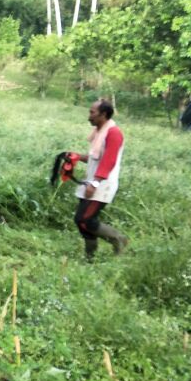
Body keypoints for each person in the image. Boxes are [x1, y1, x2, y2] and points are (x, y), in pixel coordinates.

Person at [72, 99, 129, 261]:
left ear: (103, 114)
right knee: (82, 221)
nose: (89, 116)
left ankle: (119, 239)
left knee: (85, 219)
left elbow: (109, 160)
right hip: (92, 182)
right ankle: (90, 256)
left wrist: (95, 183)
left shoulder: (113, 133)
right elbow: (94, 159)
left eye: (92, 113)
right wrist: (75, 156)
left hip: (102, 185)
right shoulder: (100, 131)